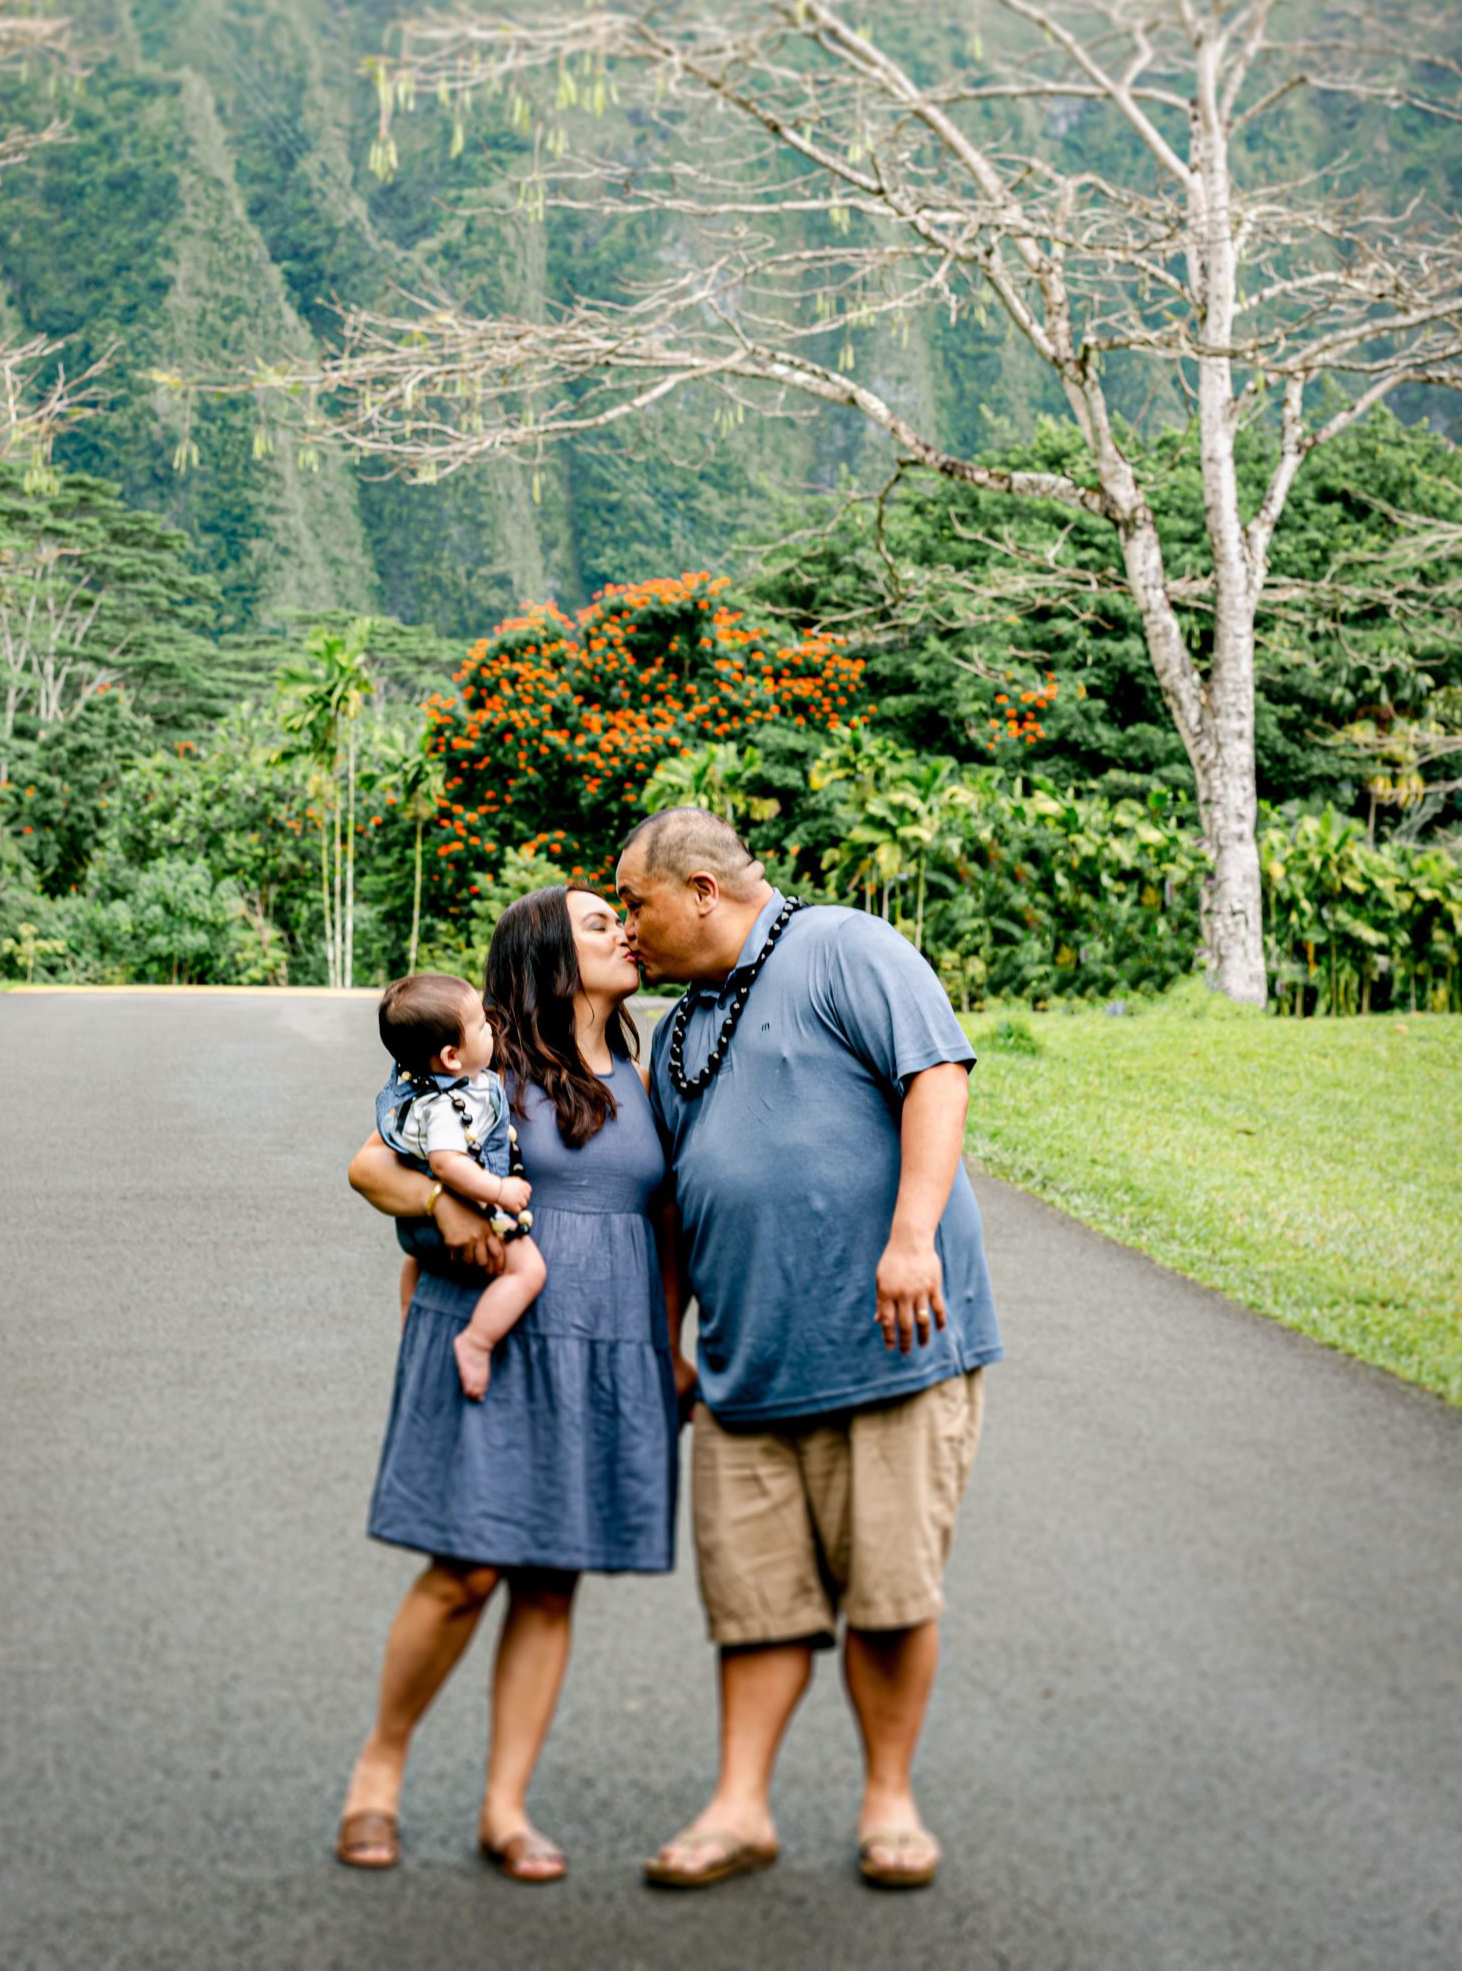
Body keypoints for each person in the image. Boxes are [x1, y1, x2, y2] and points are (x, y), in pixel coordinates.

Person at [616, 806, 1002, 1894]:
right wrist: (667, 1335)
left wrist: (911, 1237)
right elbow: (677, 1203)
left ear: (699, 888)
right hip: (747, 1364)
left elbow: (936, 1074)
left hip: (889, 1345)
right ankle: (739, 1806)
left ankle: (889, 1801)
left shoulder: (843, 946)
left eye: (634, 900)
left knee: (888, 1590)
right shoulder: (683, 1028)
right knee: (755, 1599)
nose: (624, 924)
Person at [336, 887, 685, 1884]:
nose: (622, 928)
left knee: (548, 1573)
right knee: (465, 1569)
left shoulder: (650, 1066)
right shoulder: (487, 1068)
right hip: (489, 1330)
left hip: (607, 1338)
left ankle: (504, 1807)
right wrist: (444, 1202)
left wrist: (667, 1347)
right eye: (594, 923)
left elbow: (665, 1224)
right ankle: (379, 1771)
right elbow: (369, 1164)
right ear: (544, 956)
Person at [373, 970, 544, 1397]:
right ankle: (477, 1341)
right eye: (482, 1026)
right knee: (528, 1271)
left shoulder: (419, 1092)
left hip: (416, 1232)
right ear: (451, 1057)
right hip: (460, 1209)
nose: (492, 1029)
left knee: (420, 1262)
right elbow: (448, 1164)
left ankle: (410, 1313)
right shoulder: (451, 1107)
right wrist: (499, 1191)